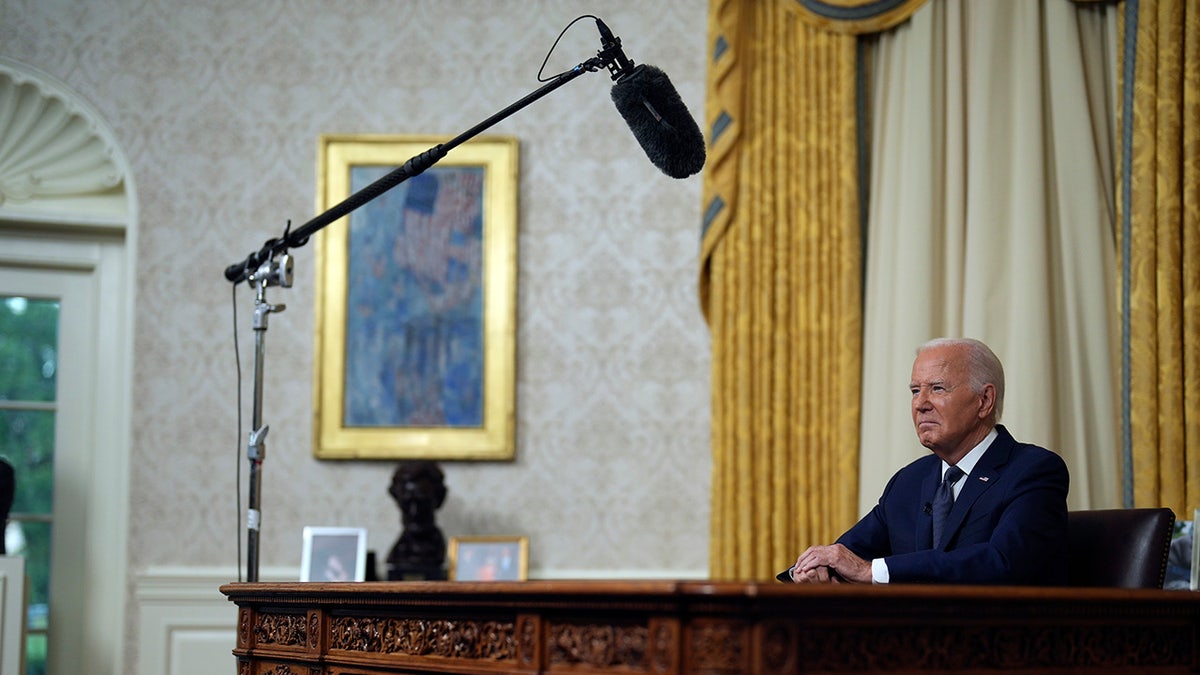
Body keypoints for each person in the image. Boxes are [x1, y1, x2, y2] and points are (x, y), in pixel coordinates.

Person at [781, 337, 1069, 585]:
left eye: (938, 388)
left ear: (984, 401)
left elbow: (1003, 562)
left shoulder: (1034, 471)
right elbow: (847, 554)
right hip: (914, 642)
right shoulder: (910, 481)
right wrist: (811, 570)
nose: (920, 404)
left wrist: (872, 571)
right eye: (915, 390)